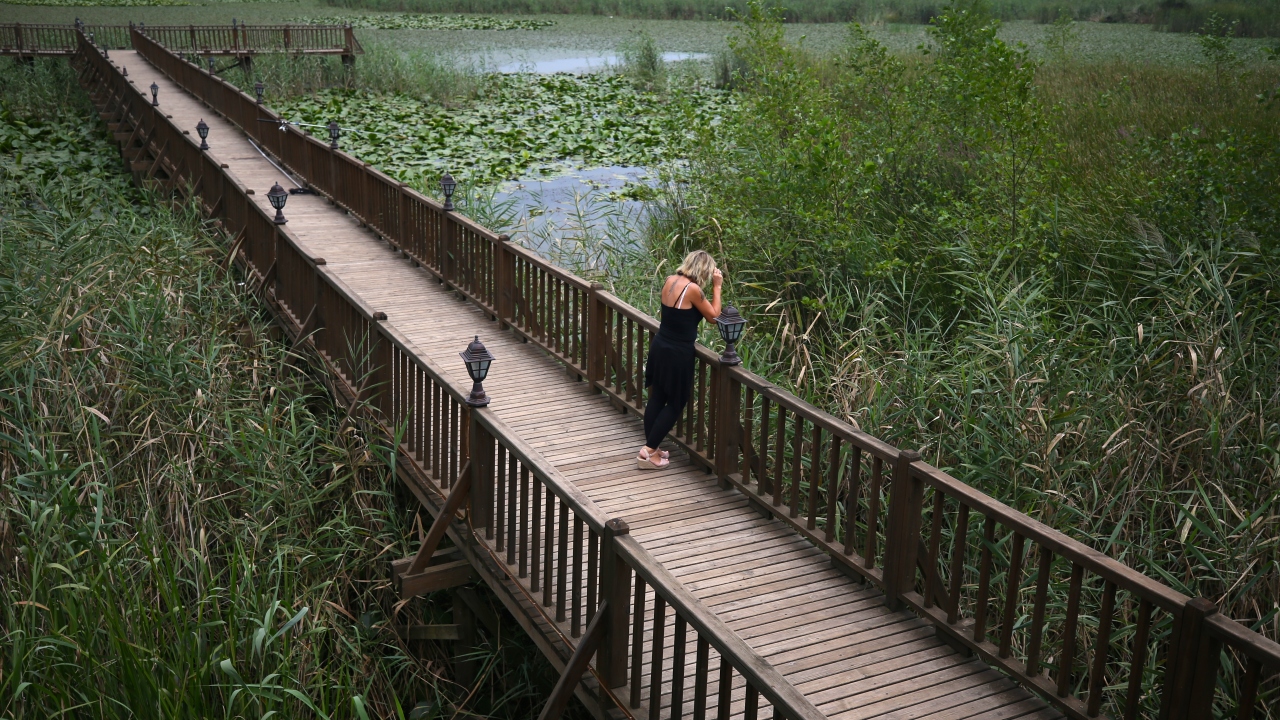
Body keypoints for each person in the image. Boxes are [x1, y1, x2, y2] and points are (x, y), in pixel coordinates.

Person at [638, 250, 723, 470]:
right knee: (677, 402)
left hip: (660, 345)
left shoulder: (670, 280)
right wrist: (717, 287)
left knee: (658, 397)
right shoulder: (692, 289)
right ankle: (648, 451)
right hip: (677, 352)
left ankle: (653, 448)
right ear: (704, 270)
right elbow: (714, 317)